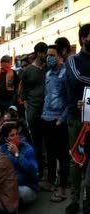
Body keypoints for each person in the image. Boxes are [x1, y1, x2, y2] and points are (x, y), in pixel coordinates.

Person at [39, 44, 70, 203]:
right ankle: (51, 181)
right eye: (47, 55)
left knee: (62, 155)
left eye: (52, 55)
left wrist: (61, 119)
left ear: (60, 56)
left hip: (59, 120)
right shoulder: (48, 73)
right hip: (46, 118)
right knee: (50, 153)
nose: (48, 57)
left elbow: (70, 100)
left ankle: (63, 188)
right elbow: (47, 96)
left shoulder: (66, 73)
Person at [65, 24, 90, 214]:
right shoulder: (73, 60)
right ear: (83, 38)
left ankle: (87, 198)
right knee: (76, 158)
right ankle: (75, 199)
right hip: (76, 117)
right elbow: (78, 79)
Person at [21, 42, 48, 178]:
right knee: (36, 142)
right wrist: (27, 106)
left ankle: (49, 170)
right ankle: (40, 169)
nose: (46, 55)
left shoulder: (48, 68)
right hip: (33, 111)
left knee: (47, 141)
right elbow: (23, 90)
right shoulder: (28, 71)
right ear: (38, 53)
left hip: (48, 111)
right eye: (44, 53)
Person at [0, 122, 38, 204]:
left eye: (17, 134)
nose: (16, 137)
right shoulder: (2, 149)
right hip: (9, 185)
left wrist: (17, 155)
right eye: (12, 135)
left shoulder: (27, 149)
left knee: (20, 192)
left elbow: (33, 171)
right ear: (6, 139)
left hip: (27, 187)